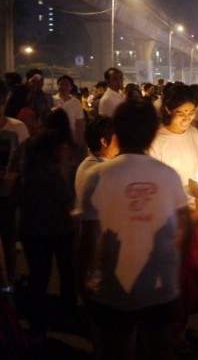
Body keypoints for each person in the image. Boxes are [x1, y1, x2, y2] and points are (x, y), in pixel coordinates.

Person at [77, 99, 189, 359]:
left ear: (117, 131)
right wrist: (170, 259)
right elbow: (185, 224)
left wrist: (83, 279)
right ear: (153, 133)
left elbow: (87, 238)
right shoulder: (167, 174)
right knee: (159, 348)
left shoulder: (99, 175)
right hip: (160, 286)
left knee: (117, 349)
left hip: (113, 285)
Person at [148, 84, 198, 344]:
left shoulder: (196, 136)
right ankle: (170, 331)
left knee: (194, 272)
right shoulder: (156, 140)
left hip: (194, 211)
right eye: (181, 112)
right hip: (167, 218)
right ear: (167, 109)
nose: (187, 118)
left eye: (191, 112)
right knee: (172, 275)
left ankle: (181, 325)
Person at [16, 109, 84, 343]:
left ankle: (37, 325)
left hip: (32, 222)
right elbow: (75, 186)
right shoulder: (71, 150)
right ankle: (68, 313)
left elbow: (17, 182)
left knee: (38, 275)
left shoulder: (29, 147)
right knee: (67, 271)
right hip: (63, 221)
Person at [0, 79, 29, 286]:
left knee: (8, 242)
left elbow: (21, 166)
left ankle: (9, 287)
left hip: (9, 200)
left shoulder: (18, 128)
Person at [74, 116, 118, 211]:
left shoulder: (85, 165)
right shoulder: (103, 172)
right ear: (104, 142)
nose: (119, 143)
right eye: (116, 138)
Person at [53, 74, 86, 148]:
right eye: (61, 84)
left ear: (71, 87)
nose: (64, 87)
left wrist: (80, 142)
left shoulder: (76, 103)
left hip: (71, 139)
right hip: (55, 138)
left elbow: (79, 123)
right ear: (57, 86)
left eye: (67, 85)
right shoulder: (52, 100)